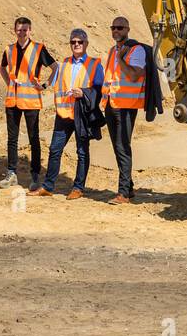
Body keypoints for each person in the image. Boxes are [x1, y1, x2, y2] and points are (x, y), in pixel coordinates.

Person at [31, 28, 103, 199]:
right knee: (55, 150)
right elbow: (54, 80)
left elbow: (99, 89)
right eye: (73, 42)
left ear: (86, 44)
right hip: (63, 114)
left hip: (82, 114)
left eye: (80, 42)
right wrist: (42, 86)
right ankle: (48, 186)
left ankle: (78, 188)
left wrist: (84, 93)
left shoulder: (94, 65)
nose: (76, 44)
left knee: (82, 152)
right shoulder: (64, 64)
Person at [0, 16, 57, 190]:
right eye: (19, 29)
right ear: (14, 30)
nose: (22, 32)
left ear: (29, 31)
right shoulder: (9, 50)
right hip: (13, 100)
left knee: (34, 139)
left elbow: (55, 67)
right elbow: (2, 68)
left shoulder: (39, 49)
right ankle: (11, 173)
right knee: (12, 139)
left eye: (25, 30)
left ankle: (35, 175)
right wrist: (9, 83)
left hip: (31, 100)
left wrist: (45, 85)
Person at [103, 16, 148, 204]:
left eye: (120, 28)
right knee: (117, 147)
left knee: (123, 147)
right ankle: (128, 188)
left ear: (127, 29)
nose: (116, 31)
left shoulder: (135, 50)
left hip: (127, 107)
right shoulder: (113, 50)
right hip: (112, 105)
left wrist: (121, 59)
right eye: (113, 27)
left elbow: (134, 75)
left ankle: (123, 193)